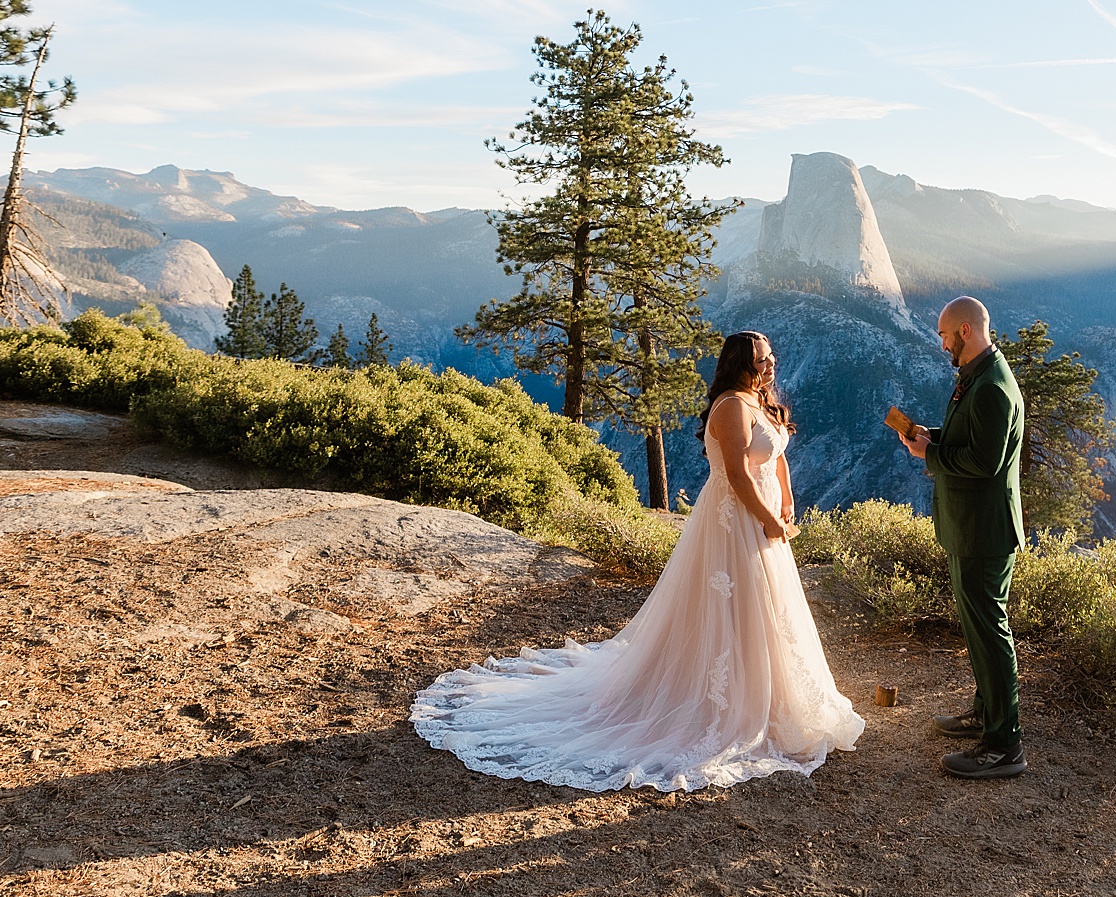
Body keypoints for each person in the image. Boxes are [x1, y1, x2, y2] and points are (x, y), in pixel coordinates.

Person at [411, 331, 865, 792]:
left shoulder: (759, 401)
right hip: (737, 524)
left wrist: (786, 498)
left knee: (766, 611)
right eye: (763, 360)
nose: (771, 366)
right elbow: (735, 475)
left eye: (771, 358)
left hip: (764, 521)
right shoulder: (731, 407)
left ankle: (768, 697)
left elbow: (775, 458)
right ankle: (723, 704)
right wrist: (770, 520)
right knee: (733, 607)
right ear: (740, 365)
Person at [896, 296, 1029, 779]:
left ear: (966, 332)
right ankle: (987, 713)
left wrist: (929, 457)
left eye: (944, 334)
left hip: (983, 530)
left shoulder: (992, 387)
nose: (941, 342)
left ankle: (1004, 745)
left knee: (991, 633)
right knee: (977, 629)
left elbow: (984, 462)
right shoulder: (976, 377)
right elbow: (970, 441)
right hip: (969, 527)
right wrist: (930, 437)